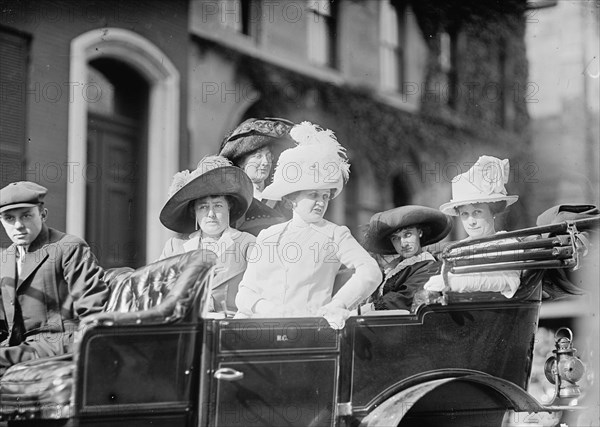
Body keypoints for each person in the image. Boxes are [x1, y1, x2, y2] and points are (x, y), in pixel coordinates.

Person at [234, 121, 382, 326]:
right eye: (313, 195)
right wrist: (269, 309)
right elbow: (245, 293)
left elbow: (370, 271)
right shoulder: (268, 235)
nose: (321, 202)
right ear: (291, 198)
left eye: (325, 196)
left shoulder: (335, 235)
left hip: (308, 333)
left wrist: (338, 304)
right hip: (262, 330)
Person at [0, 181, 109, 373]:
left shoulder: (68, 247)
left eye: (26, 216)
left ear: (43, 214)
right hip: (18, 347)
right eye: (9, 218)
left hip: (59, 344)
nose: (18, 226)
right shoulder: (4, 260)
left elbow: (93, 310)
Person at [158, 156, 256, 314]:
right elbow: (157, 290)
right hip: (183, 327)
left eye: (218, 206)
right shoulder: (174, 247)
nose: (211, 214)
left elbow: (259, 291)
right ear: (194, 212)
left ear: (229, 208)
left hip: (228, 329)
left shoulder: (247, 244)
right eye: (203, 207)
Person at [424, 155, 521, 297]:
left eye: (477, 212)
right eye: (464, 214)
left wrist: (456, 283)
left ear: (492, 212)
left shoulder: (508, 243)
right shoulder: (456, 250)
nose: (471, 221)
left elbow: (507, 281)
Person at [362, 205, 452, 312]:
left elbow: (404, 298)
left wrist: (366, 309)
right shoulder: (392, 269)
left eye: (408, 234)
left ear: (420, 232)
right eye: (395, 238)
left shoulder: (430, 267)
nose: (403, 244)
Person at [219, 117, 294, 235]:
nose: (265, 162)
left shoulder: (284, 202)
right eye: (258, 156)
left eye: (269, 157)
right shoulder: (231, 203)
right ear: (241, 162)